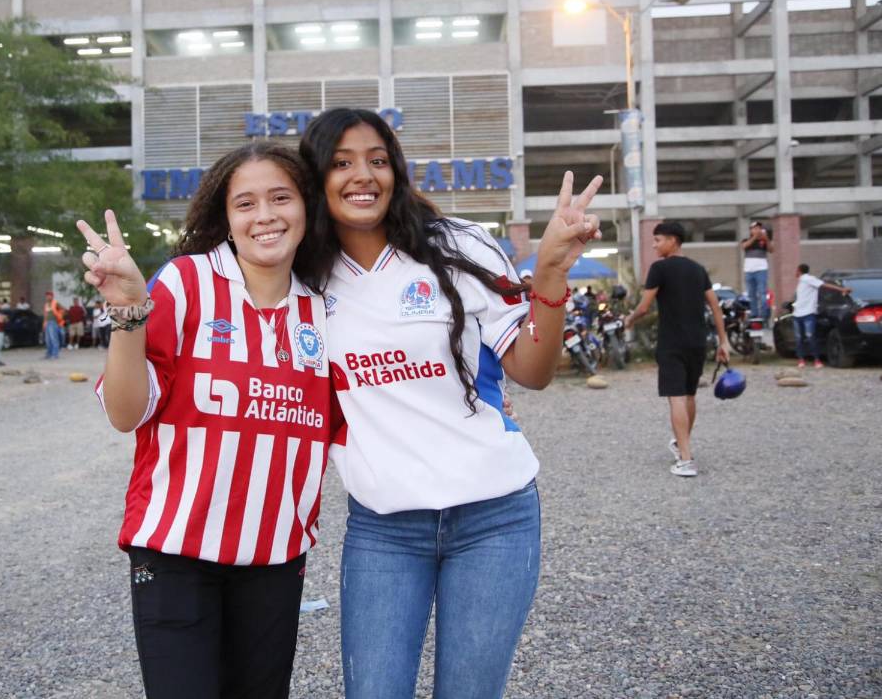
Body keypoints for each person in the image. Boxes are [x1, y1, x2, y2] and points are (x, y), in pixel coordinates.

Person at [298, 108, 602, 699]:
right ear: (316, 178)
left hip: (496, 517)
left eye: (377, 160)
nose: (363, 176)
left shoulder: (458, 246)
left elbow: (533, 372)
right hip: (384, 529)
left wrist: (550, 274)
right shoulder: (303, 279)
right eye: (341, 163)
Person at [79, 142, 335, 699]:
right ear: (225, 217)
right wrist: (127, 313)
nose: (264, 215)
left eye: (280, 198)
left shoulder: (325, 306)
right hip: (175, 553)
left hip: (275, 554)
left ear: (307, 208)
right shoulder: (185, 282)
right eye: (245, 203)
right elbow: (127, 414)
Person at [625, 221, 729, 478]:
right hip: (697, 341)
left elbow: (644, 306)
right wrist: (723, 341)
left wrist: (629, 319)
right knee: (690, 395)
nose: (654, 244)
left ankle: (686, 459)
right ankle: (683, 445)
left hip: (671, 342)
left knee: (676, 397)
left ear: (673, 240)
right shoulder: (698, 269)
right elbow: (715, 307)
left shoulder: (659, 268)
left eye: (658, 239)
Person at [792, 264, 851, 368]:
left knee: (808, 337)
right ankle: (802, 360)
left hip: (808, 313)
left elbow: (824, 284)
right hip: (797, 313)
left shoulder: (808, 279)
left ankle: (815, 360)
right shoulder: (801, 282)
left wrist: (841, 289)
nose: (795, 273)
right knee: (801, 338)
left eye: (796, 270)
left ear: (799, 271)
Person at [741, 220, 774, 321]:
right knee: (751, 294)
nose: (757, 230)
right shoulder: (746, 240)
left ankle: (764, 314)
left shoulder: (763, 241)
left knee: (762, 292)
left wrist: (766, 239)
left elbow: (771, 250)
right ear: (751, 230)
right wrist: (755, 236)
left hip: (761, 269)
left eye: (759, 228)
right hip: (749, 270)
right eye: (755, 228)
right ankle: (754, 313)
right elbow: (744, 246)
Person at [42, 292, 60, 359]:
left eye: (49, 296)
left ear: (52, 296)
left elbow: (63, 311)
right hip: (47, 322)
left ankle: (55, 354)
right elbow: (45, 314)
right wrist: (44, 323)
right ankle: (49, 354)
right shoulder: (46, 304)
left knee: (54, 339)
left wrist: (59, 318)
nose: (47, 297)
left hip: (53, 322)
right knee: (47, 340)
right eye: (46, 296)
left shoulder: (55, 303)